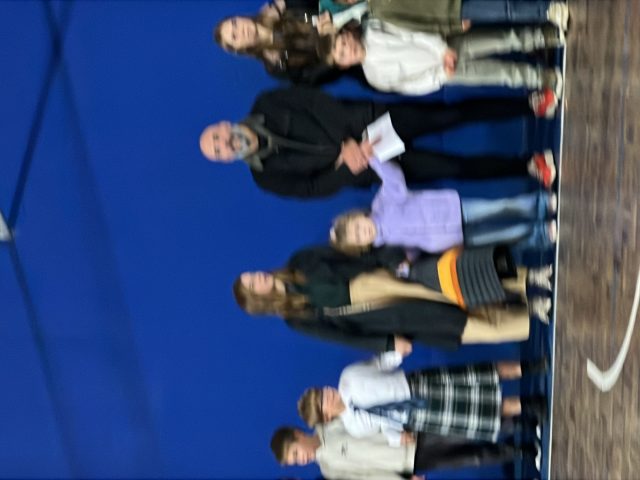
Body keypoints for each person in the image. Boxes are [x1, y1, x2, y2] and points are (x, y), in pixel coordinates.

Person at [199, 86, 558, 199]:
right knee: (454, 168)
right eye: (218, 152)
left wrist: (348, 141)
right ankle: (528, 165)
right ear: (225, 160)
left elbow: (314, 102)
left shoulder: (266, 104)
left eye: (217, 138)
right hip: (371, 167)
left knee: (449, 116)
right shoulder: (265, 177)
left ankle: (528, 104)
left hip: (369, 122)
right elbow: (312, 188)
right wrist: (349, 164)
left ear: (223, 125)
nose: (223, 145)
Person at [232, 244, 553, 353]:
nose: (259, 277)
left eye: (253, 274)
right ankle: (532, 312)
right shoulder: (295, 318)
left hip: (378, 280)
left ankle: (530, 279)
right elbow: (343, 337)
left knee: (456, 283)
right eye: (253, 284)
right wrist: (387, 344)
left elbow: (349, 255)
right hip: (382, 316)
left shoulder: (300, 262)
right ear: (259, 301)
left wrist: (390, 259)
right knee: (461, 325)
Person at [329, 157, 558, 259]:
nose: (363, 232)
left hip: (453, 211)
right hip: (449, 240)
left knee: (498, 208)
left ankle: (540, 204)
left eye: (358, 227)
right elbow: (413, 245)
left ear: (358, 216)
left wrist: (373, 160)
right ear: (362, 245)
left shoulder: (382, 203)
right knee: (501, 236)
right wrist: (410, 257)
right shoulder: (385, 245)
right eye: (359, 238)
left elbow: (394, 179)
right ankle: (540, 234)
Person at [297, 352, 545, 445]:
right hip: (417, 414)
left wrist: (397, 352)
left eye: (322, 391)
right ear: (326, 416)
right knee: (482, 411)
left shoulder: (348, 377)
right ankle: (532, 404)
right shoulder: (354, 427)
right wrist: (398, 438)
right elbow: (383, 425)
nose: (327, 392)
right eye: (322, 400)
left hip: (417, 384)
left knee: (479, 375)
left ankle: (531, 366)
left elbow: (379, 364)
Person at [329, 21, 565, 96]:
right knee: (501, 74)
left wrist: (441, 49)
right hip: (448, 72)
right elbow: (412, 85)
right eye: (342, 54)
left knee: (504, 39)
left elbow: (412, 33)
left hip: (448, 44)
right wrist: (441, 75)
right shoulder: (374, 77)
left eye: (344, 42)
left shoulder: (373, 28)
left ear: (347, 34)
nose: (348, 49)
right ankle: (542, 78)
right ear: (343, 64)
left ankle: (544, 36)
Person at [270, 421, 534, 479]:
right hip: (409, 464)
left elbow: (370, 418)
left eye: (295, 453)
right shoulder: (329, 470)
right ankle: (522, 451)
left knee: (469, 431)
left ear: (298, 435)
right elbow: (369, 477)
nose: (301, 460)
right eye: (295, 461)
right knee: (470, 458)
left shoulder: (330, 424)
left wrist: (398, 431)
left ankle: (524, 424)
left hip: (411, 436)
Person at [324, 0, 569, 34]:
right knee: (505, 9)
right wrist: (452, 26)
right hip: (452, 10)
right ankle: (548, 10)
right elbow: (418, 24)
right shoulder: (379, 12)